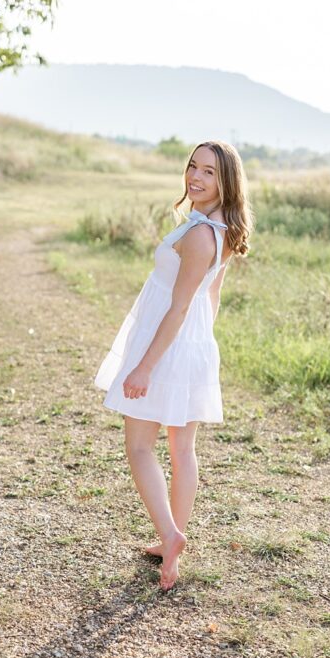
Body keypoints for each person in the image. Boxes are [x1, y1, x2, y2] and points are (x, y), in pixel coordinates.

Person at [94, 140, 252, 591]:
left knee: (141, 447)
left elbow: (180, 307)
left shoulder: (201, 235)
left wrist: (143, 367)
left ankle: (170, 534)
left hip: (169, 344)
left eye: (208, 173)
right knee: (182, 451)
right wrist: (201, 345)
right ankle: (171, 550)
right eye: (192, 168)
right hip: (192, 344)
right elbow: (212, 296)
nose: (195, 179)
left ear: (227, 182)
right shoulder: (217, 227)